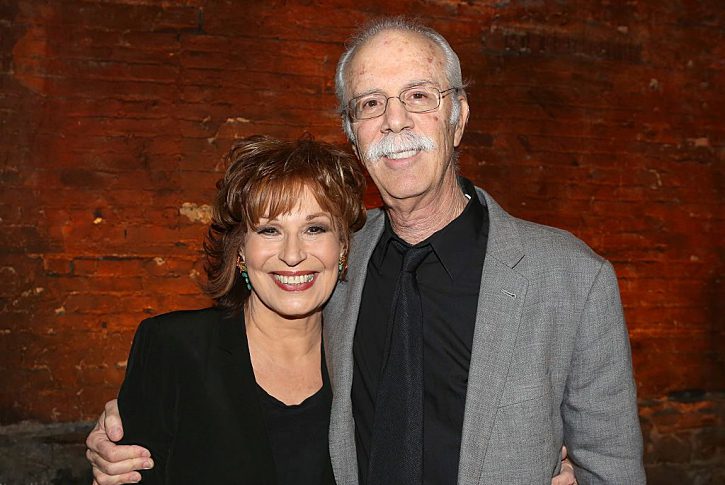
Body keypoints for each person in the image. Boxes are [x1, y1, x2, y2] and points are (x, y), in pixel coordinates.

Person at [87, 17, 644, 484]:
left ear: (459, 116)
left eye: (419, 96)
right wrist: (125, 427)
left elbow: (611, 466)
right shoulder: (336, 258)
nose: (394, 121)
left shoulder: (571, 279)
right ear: (353, 135)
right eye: (370, 104)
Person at [97, 135, 366, 484]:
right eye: (269, 230)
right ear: (240, 250)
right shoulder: (173, 348)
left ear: (342, 246)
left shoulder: (365, 360)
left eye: (315, 229)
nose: (293, 254)